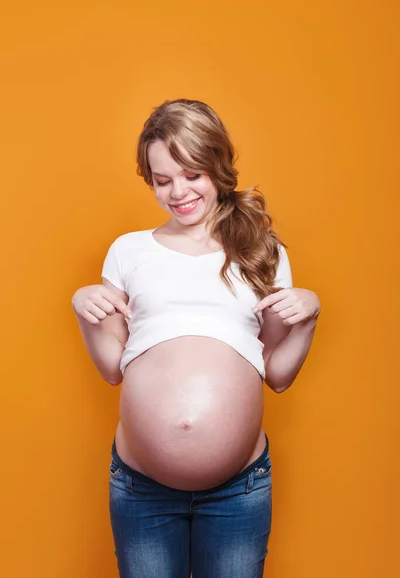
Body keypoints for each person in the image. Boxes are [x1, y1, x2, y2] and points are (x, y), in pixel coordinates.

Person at [72, 98, 321, 578]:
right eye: (162, 181)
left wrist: (308, 317)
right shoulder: (129, 251)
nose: (177, 192)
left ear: (217, 167)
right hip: (142, 488)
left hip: (239, 490)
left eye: (191, 175)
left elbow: (278, 376)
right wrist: (85, 309)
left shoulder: (260, 250)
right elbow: (111, 368)